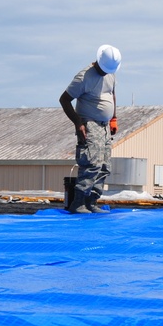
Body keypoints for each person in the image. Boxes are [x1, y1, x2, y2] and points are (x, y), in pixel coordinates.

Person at [59, 45, 122, 214]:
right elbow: (64, 100)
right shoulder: (84, 77)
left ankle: (91, 202)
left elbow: (112, 94)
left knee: (104, 165)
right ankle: (78, 203)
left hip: (104, 125)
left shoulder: (111, 74)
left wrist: (113, 118)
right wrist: (78, 123)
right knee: (91, 164)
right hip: (90, 123)